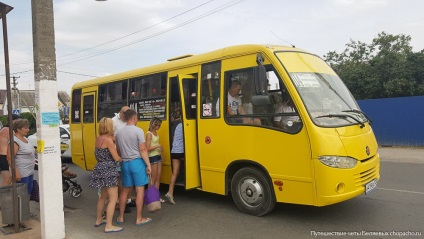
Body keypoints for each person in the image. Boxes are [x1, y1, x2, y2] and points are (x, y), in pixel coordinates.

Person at [115, 109, 152, 225]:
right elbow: (143, 149)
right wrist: (148, 164)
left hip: (125, 164)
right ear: (134, 118)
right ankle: (139, 218)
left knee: (125, 191)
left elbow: (119, 151)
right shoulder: (139, 131)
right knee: (139, 190)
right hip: (137, 163)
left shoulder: (119, 133)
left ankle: (120, 217)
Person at [89, 117, 123, 233]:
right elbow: (116, 157)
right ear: (109, 127)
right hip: (109, 170)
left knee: (103, 197)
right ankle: (109, 225)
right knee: (113, 198)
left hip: (100, 168)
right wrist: (122, 158)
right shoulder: (109, 140)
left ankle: (99, 219)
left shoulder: (98, 139)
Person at [112, 105, 133, 212]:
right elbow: (110, 137)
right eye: (126, 115)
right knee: (120, 179)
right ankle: (120, 203)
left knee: (128, 177)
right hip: (118, 154)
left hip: (128, 153)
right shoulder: (113, 121)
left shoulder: (127, 121)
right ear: (121, 113)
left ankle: (128, 200)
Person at [6, 119, 35, 195]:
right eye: (25, 128)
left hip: (29, 171)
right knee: (22, 194)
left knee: (28, 193)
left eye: (28, 127)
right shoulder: (15, 141)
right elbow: (9, 158)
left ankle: (25, 207)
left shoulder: (25, 138)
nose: (28, 130)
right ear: (18, 129)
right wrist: (16, 173)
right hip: (22, 173)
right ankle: (21, 207)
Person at [165, 120, 184, 205]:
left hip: (174, 151)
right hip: (181, 151)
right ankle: (169, 193)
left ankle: (170, 192)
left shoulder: (178, 126)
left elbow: (174, 137)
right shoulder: (185, 125)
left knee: (175, 172)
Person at [0, 114, 21, 186]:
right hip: (4, 157)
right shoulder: (7, 130)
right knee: (7, 180)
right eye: (18, 121)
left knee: (9, 180)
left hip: (5, 156)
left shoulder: (5, 129)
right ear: (12, 121)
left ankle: (6, 195)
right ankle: (2, 196)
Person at [146, 117, 163, 192]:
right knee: (153, 178)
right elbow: (147, 148)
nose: (159, 127)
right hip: (153, 156)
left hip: (158, 155)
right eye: (159, 125)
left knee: (158, 177)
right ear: (154, 125)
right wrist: (158, 146)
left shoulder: (155, 133)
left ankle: (156, 196)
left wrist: (161, 154)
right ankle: (151, 196)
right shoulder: (149, 134)